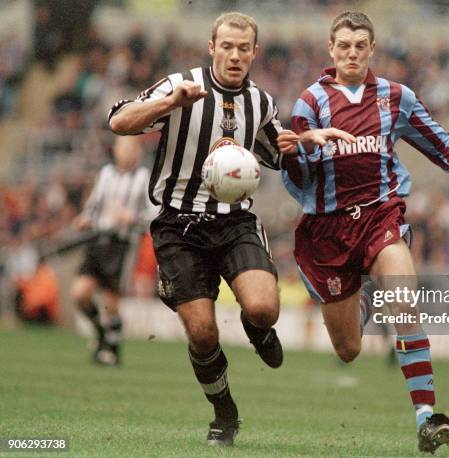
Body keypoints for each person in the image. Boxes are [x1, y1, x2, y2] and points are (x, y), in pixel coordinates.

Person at [108, 12, 351, 447]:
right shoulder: (180, 85)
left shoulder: (259, 102)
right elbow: (119, 121)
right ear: (212, 47)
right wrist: (169, 103)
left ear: (254, 52)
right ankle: (224, 411)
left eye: (244, 49)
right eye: (227, 47)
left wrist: (308, 140)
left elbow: (278, 148)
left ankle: (258, 330)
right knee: (202, 333)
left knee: (264, 308)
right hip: (177, 225)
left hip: (234, 220)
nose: (235, 55)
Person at [277, 11, 449, 454]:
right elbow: (294, 169)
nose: (352, 53)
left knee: (405, 303)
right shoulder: (310, 103)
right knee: (349, 349)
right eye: (344, 46)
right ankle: (363, 295)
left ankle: (426, 418)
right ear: (331, 51)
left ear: (372, 49)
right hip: (329, 232)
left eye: (360, 46)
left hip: (379, 217)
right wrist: (302, 147)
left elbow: (433, 134)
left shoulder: (396, 96)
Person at [71, 135, 151, 366]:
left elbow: (153, 216)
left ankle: (112, 350)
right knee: (80, 294)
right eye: (122, 146)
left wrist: (132, 218)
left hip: (122, 246)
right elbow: (94, 205)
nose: (126, 151)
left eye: (131, 147)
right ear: (115, 150)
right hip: (98, 242)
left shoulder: (144, 178)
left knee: (110, 302)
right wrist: (84, 218)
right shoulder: (105, 173)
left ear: (138, 151)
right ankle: (100, 333)